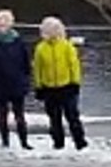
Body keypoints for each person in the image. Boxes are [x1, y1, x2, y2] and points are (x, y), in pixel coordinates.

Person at [33, 16, 87, 151]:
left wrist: (75, 83)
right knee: (54, 118)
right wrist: (39, 86)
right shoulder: (40, 49)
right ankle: (58, 143)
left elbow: (74, 65)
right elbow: (38, 69)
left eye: (55, 29)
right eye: (50, 30)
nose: (53, 32)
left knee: (72, 116)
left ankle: (80, 142)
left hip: (67, 87)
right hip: (49, 88)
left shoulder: (67, 46)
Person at [0, 9, 33, 150]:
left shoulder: (17, 42)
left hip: (16, 83)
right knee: (3, 114)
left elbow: (26, 63)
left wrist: (26, 80)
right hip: (1, 84)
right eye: (0, 24)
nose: (2, 27)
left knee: (19, 114)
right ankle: (6, 142)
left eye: (4, 24)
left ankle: (23, 142)